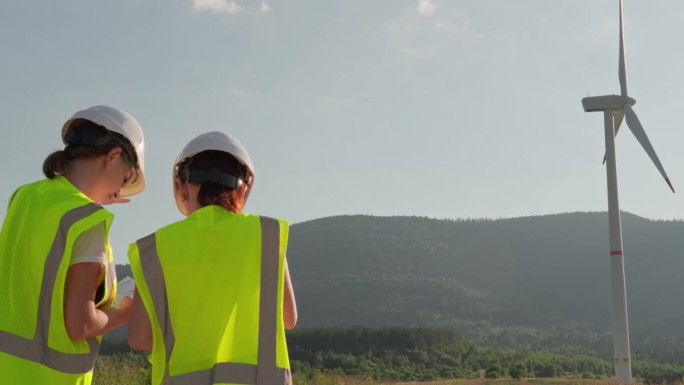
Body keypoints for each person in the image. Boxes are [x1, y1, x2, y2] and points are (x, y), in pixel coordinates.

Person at [127, 131, 297, 385]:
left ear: (181, 185)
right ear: (244, 186)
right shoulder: (266, 235)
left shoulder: (155, 247)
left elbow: (139, 337)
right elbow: (288, 318)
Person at [0, 105, 146, 384]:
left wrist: (93, 194)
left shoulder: (22, 197)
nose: (120, 188)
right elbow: (80, 325)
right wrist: (126, 312)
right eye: (125, 178)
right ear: (114, 155)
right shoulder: (87, 221)